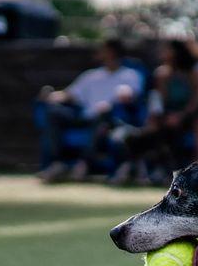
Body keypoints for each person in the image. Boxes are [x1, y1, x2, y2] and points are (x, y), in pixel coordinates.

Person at [36, 37, 147, 182]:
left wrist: (115, 101)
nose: (99, 52)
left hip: (111, 119)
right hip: (84, 117)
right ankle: (58, 163)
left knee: (102, 115)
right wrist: (50, 96)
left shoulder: (129, 74)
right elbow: (68, 94)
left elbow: (131, 95)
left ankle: (83, 163)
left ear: (112, 52)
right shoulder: (91, 75)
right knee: (53, 112)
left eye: (103, 50)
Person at [141, 37, 198, 179]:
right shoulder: (162, 73)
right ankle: (158, 168)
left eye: (166, 50)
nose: (162, 53)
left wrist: (181, 115)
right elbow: (161, 99)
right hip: (172, 112)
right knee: (152, 125)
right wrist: (159, 115)